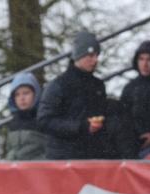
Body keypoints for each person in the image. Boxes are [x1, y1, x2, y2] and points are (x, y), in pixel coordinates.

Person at [37, 31, 110, 160]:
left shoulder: (98, 85)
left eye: (97, 55)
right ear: (79, 55)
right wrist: (80, 127)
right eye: (90, 56)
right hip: (64, 158)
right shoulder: (58, 85)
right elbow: (45, 121)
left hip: (92, 155)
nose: (95, 60)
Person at [3, 72, 45, 161]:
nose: (21, 98)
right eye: (17, 95)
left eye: (26, 93)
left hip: (38, 171)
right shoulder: (13, 122)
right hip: (14, 171)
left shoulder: (44, 119)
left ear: (36, 94)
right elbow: (10, 149)